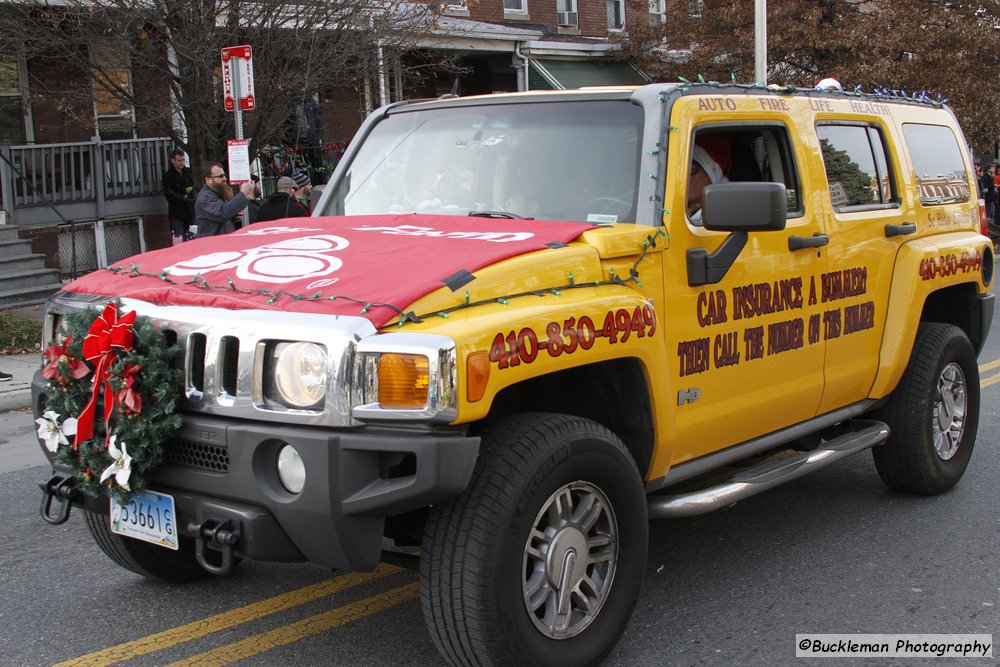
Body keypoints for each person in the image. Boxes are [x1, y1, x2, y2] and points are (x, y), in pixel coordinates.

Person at [194, 162, 256, 238]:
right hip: (212, 244)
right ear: (208, 180)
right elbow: (223, 213)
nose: (225, 178)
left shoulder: (217, 193)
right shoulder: (205, 198)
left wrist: (233, 217)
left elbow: (220, 216)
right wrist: (243, 193)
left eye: (224, 175)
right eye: (220, 176)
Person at [687, 134, 732, 221]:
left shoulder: (731, 209)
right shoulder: (662, 209)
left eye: (691, 168)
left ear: (713, 174)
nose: (684, 176)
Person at [162, 149, 195, 245]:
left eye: (183, 160)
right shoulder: (168, 176)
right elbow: (169, 194)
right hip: (176, 213)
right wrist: (182, 197)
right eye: (179, 160)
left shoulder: (188, 173)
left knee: (193, 237)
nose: (181, 163)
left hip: (189, 211)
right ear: (173, 160)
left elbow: (193, 188)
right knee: (177, 238)